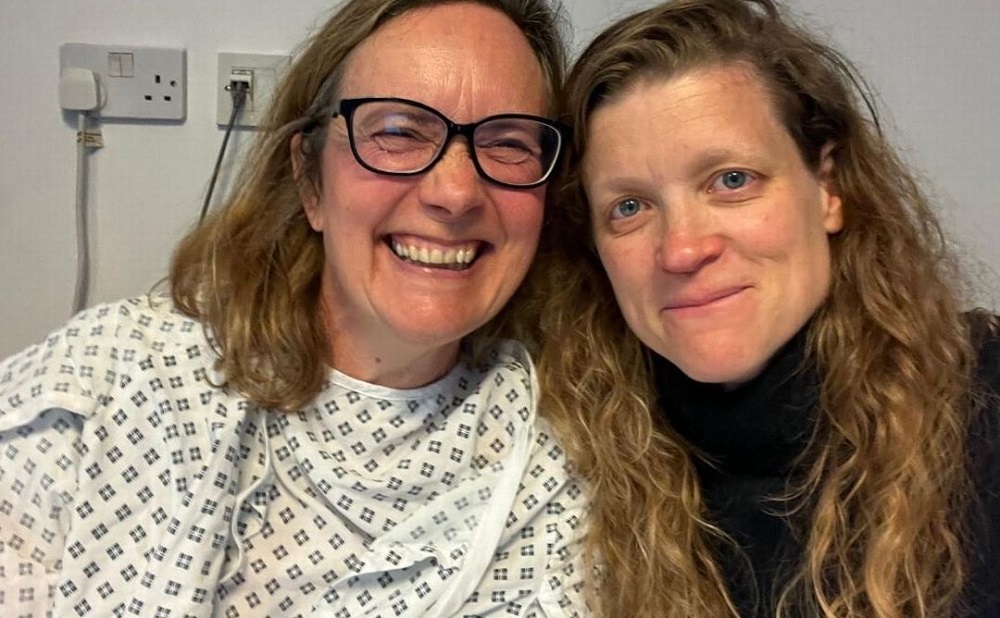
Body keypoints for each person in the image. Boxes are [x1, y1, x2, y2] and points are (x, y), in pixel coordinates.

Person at [0, 0, 588, 616]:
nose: (456, 193)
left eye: (508, 144)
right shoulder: (106, 384)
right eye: (398, 132)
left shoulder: (573, 458)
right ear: (311, 181)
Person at [517, 0, 1000, 616]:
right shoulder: (564, 477)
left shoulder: (983, 400)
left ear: (827, 188)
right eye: (629, 207)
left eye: (731, 180)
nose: (683, 249)